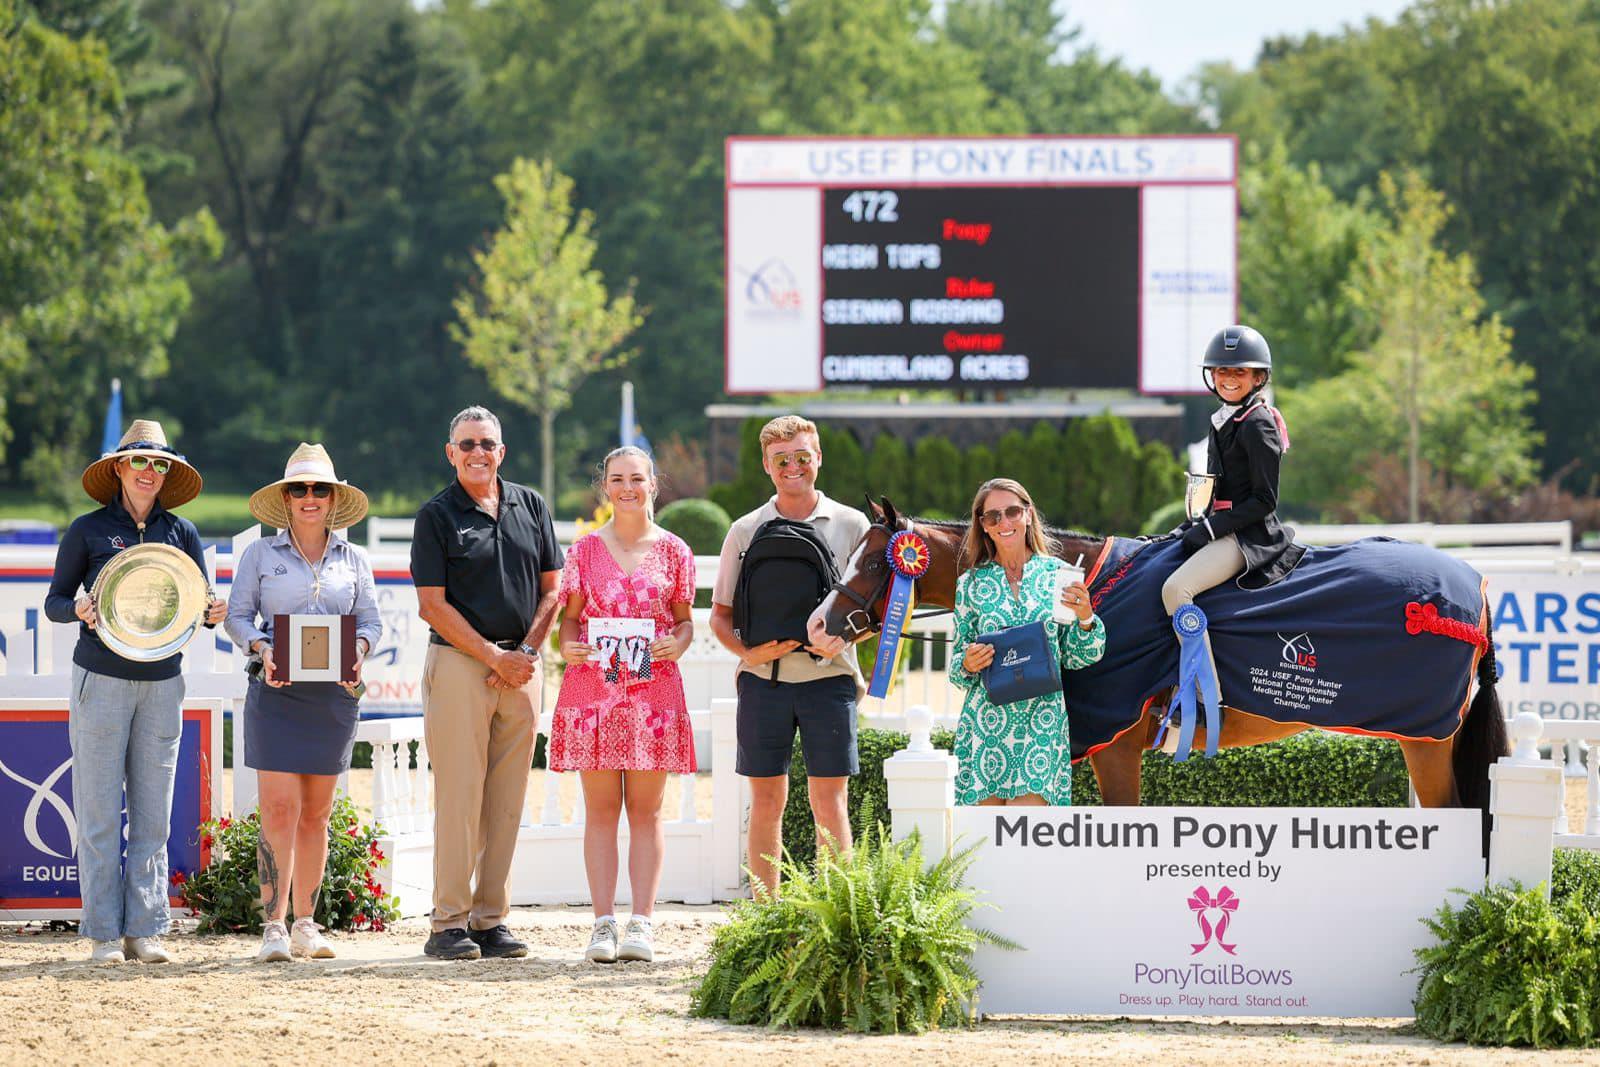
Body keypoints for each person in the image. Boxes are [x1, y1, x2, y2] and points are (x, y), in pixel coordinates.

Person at [44, 420, 226, 964]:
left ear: (168, 473)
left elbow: (195, 606)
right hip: (99, 678)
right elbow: (55, 600)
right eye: (140, 462)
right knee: (99, 809)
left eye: (160, 464)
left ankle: (143, 930)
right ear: (120, 467)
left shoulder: (183, 533)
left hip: (163, 682)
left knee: (153, 812)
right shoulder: (86, 530)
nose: (150, 472)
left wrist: (214, 614)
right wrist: (76, 608)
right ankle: (102, 932)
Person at [411, 406, 564, 960]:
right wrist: (492, 656)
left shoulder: (532, 506)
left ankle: (489, 918)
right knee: (458, 797)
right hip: (460, 664)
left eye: (488, 444)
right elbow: (432, 606)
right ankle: (447, 922)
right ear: (450, 452)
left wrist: (523, 653)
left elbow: (554, 589)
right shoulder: (436, 516)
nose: (478, 452)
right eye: (467, 444)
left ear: (502, 451)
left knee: (506, 799)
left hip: (522, 668)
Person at [226, 443, 382, 962]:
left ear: (333, 498)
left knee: (316, 815)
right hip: (275, 693)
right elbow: (237, 616)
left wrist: (359, 650)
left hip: (334, 699)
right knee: (277, 808)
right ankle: (273, 926)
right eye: (299, 489)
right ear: (286, 499)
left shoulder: (354, 559)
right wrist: (261, 646)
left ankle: (307, 924)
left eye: (319, 489)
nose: (309, 497)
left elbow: (371, 622)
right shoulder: (259, 555)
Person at [709, 415, 867, 898]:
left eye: (802, 456)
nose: (792, 467)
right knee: (766, 800)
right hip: (764, 681)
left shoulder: (852, 525)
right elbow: (719, 616)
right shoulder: (745, 529)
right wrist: (750, 652)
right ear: (766, 465)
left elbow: (871, 611)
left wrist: (842, 640)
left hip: (831, 678)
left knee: (829, 799)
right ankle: (766, 915)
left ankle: (837, 912)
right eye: (782, 459)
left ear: (818, 458)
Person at [552, 446, 696, 964]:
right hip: (594, 692)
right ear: (605, 487)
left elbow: (685, 622)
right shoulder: (585, 551)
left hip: (653, 692)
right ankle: (602, 924)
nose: (628, 487)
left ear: (654, 484)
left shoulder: (676, 551)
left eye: (637, 478)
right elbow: (570, 621)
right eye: (618, 479)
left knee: (647, 811)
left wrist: (677, 643)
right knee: (600, 811)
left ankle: (642, 922)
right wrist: (568, 646)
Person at [1162, 326, 1304, 706]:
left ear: (1258, 378)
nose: (1228, 379)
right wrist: (1190, 525)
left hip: (1249, 536)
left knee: (1176, 590)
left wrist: (1210, 529)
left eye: (1239, 372)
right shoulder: (1221, 420)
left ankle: (1206, 694)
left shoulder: (1258, 424)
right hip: (1221, 528)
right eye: (1222, 371)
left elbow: (1263, 501)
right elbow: (1213, 488)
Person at [947, 478, 1105, 806]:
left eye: (1012, 512)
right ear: (983, 526)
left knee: (1027, 844)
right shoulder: (970, 584)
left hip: (1041, 728)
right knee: (981, 848)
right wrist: (967, 661)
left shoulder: (1061, 575)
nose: (1004, 522)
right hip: (985, 730)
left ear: (1028, 514)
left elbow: (1079, 656)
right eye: (993, 517)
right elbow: (956, 671)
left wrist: (1086, 616)